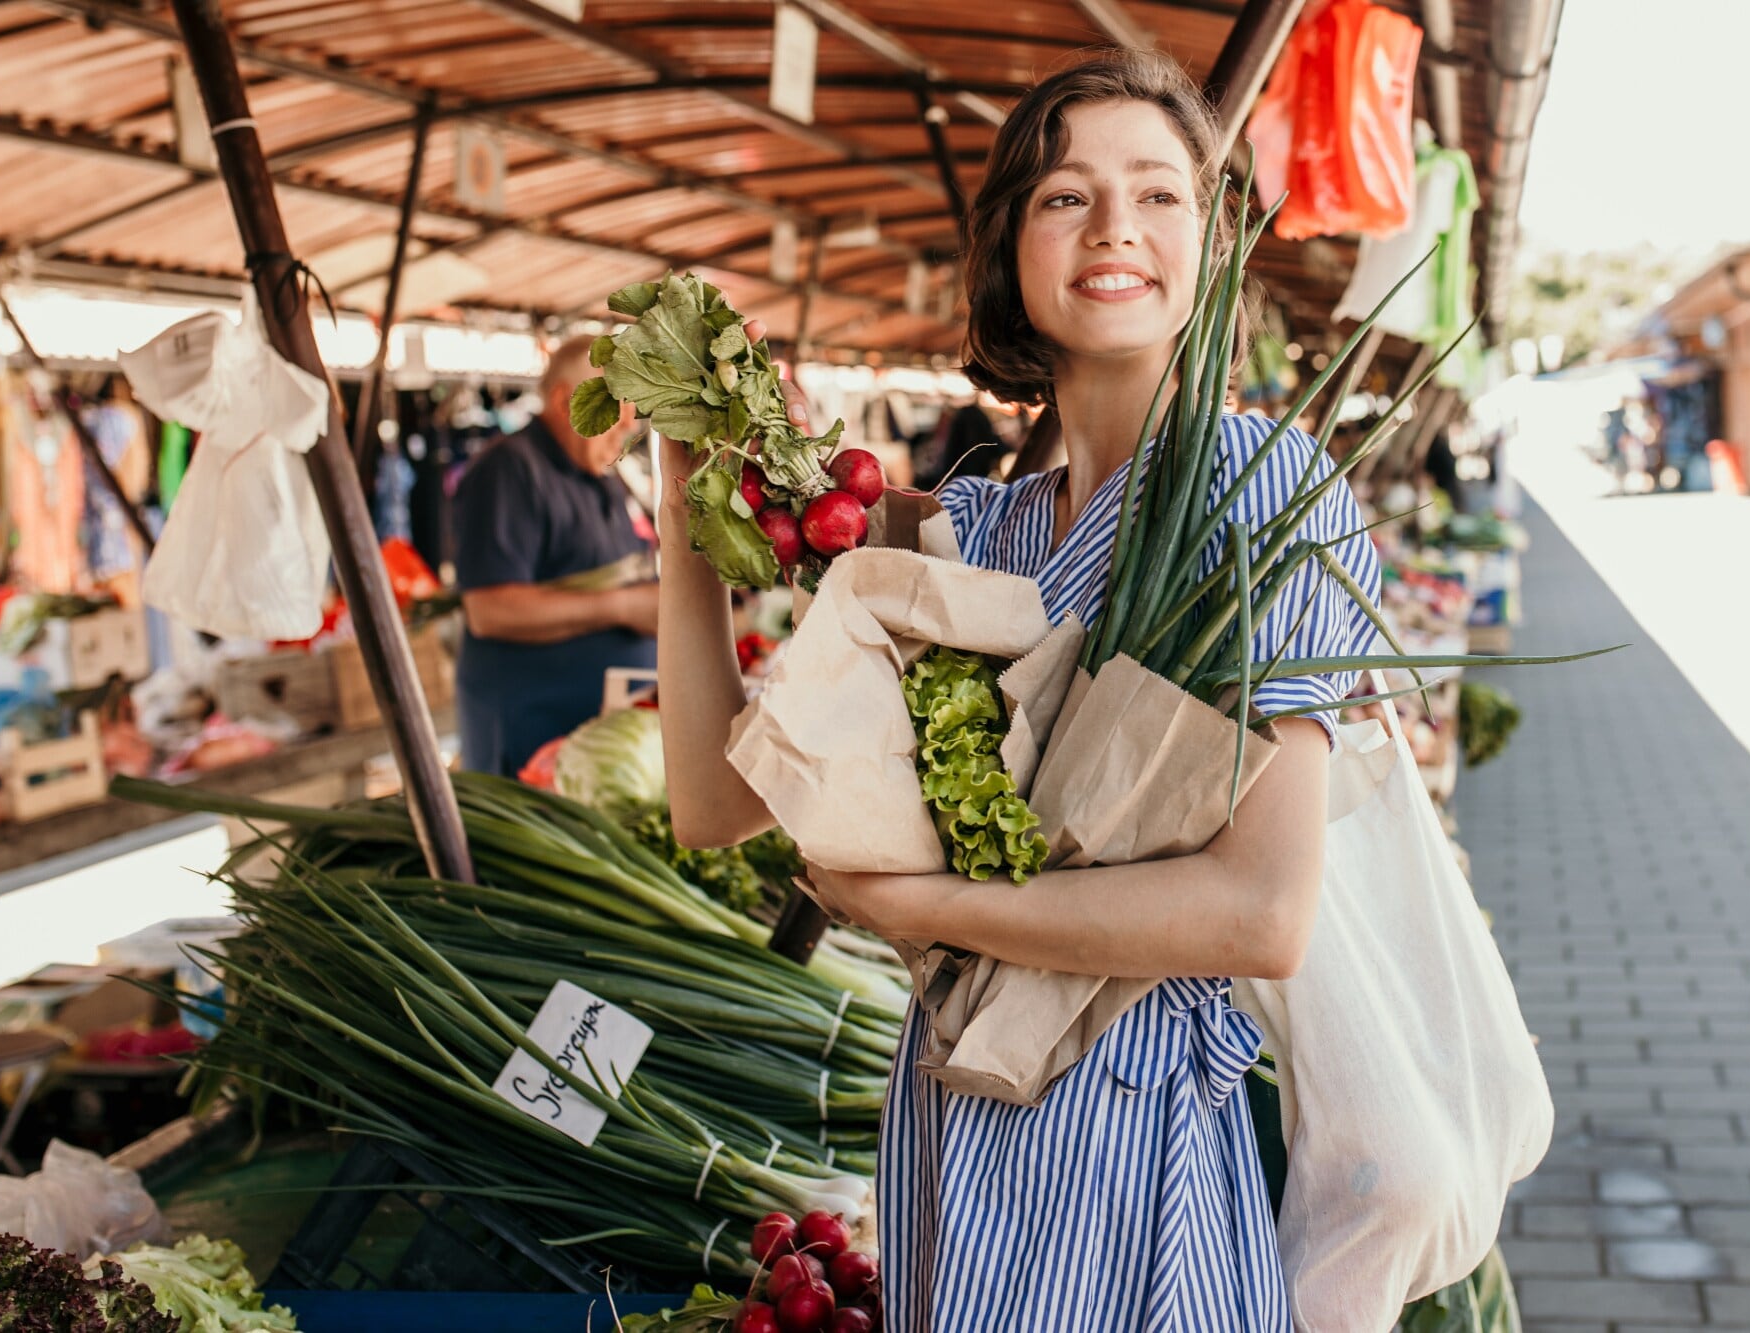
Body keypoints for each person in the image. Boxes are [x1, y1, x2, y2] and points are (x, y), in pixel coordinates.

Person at [655, 49, 1380, 1329]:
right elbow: (717, 800)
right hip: (951, 1130)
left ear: (1210, 246)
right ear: (1009, 250)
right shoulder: (970, 532)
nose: (1114, 228)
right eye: (1063, 197)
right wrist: (684, 516)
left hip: (1128, 1153)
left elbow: (1258, 912)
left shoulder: (1261, 492)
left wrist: (926, 903)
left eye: (1158, 195)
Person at [449, 339, 658, 776]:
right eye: (615, 408)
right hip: (528, 734)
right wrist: (622, 608)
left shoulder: (599, 471)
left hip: (593, 739)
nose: (627, 424)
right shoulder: (508, 470)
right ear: (566, 401)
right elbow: (490, 611)